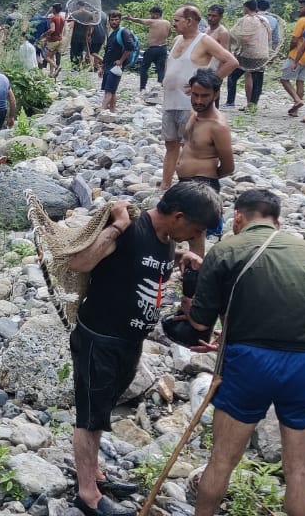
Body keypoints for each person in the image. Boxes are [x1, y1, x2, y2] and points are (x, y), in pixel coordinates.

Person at [65, 181, 221, 516]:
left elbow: (139, 263)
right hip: (100, 337)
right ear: (178, 217)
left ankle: (93, 472)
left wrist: (180, 256)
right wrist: (118, 226)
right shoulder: (130, 227)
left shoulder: (166, 239)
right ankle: (87, 494)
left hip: (130, 340)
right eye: (195, 230)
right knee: (90, 416)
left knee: (103, 408)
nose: (196, 236)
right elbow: (79, 263)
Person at [184, 189, 305, 516]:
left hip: (250, 363)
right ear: (277, 221)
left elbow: (199, 323)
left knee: (221, 462)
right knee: (300, 473)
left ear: (238, 217)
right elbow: (291, 307)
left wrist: (193, 279)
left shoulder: (224, 250)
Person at [159, 6, 238, 190]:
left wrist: (209, 82)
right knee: (170, 144)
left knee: (191, 146)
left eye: (177, 20)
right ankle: (165, 184)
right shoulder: (178, 39)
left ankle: (191, 185)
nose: (174, 23)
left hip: (190, 104)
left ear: (189, 21)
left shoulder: (204, 41)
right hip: (170, 101)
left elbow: (231, 61)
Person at [173, 68, 233, 257]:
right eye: (195, 95)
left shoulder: (218, 126)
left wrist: (206, 178)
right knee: (174, 227)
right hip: (185, 183)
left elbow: (229, 167)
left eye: (205, 96)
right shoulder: (195, 114)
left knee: (195, 234)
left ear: (215, 94)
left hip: (202, 184)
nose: (199, 101)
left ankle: (194, 276)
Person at [224, 0, 270, 111]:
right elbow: (269, 37)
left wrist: (236, 47)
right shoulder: (264, 20)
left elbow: (245, 38)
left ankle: (230, 101)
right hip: (263, 54)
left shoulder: (247, 19)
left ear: (246, 8)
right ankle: (252, 106)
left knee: (232, 76)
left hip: (249, 55)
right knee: (258, 80)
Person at [281, 0, 305, 117]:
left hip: (297, 55)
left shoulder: (303, 20)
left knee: (284, 79)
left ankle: (297, 100)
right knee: (300, 82)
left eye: (301, 7)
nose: (299, 9)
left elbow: (294, 39)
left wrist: (289, 50)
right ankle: (296, 110)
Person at [124, 6, 172, 93]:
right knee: (161, 67)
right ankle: (160, 82)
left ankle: (142, 87)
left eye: (152, 14)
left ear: (156, 14)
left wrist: (130, 18)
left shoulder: (152, 21)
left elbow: (140, 20)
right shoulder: (168, 23)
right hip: (163, 48)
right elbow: (169, 34)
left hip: (153, 48)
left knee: (144, 67)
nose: (151, 16)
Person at [99, 11, 136, 112]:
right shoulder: (112, 33)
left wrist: (121, 60)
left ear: (120, 20)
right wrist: (102, 66)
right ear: (109, 21)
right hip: (108, 65)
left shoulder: (123, 32)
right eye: (112, 20)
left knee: (108, 91)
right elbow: (108, 52)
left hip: (116, 67)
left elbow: (130, 47)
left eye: (116, 20)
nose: (114, 22)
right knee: (112, 90)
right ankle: (112, 111)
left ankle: (102, 112)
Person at [41, 4, 67, 77]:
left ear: (54, 10)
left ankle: (56, 67)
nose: (51, 10)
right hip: (60, 39)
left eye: (52, 8)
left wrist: (45, 34)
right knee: (51, 56)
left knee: (46, 57)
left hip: (53, 40)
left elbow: (52, 29)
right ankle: (51, 73)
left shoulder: (53, 18)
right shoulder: (62, 18)